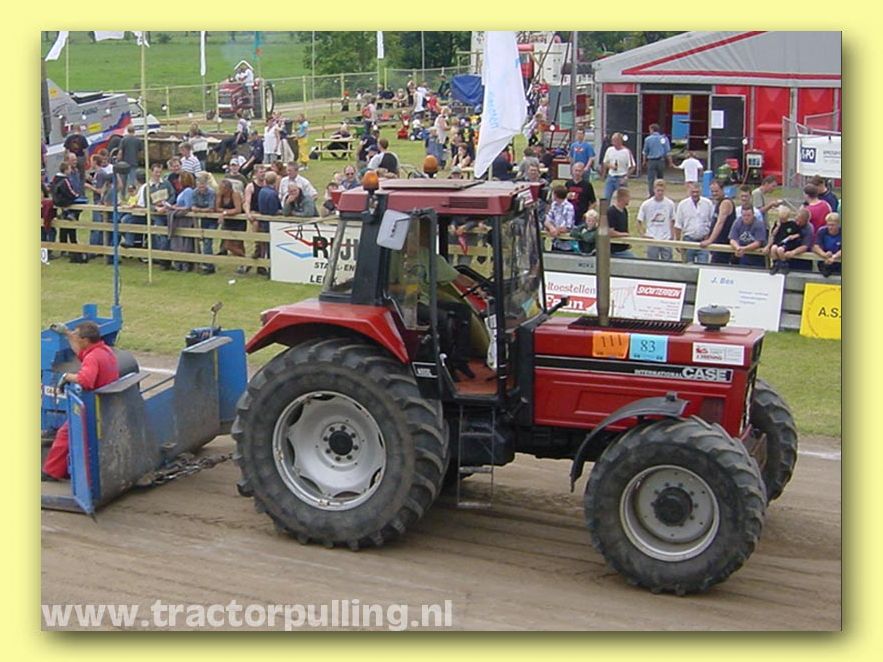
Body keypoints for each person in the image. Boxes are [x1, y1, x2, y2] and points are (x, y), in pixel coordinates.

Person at [42, 321, 119, 481]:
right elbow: (82, 353)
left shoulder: (92, 357)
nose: (74, 336)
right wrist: (67, 334)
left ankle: (51, 472)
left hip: (93, 406)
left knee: (65, 434)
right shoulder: (104, 350)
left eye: (76, 335)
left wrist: (67, 377)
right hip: (107, 402)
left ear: (85, 340)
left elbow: (86, 380)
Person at [160, 170, 196, 272]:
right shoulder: (183, 191)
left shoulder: (188, 191)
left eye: (180, 178)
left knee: (184, 242)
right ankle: (178, 263)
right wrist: (172, 206)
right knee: (178, 241)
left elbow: (188, 206)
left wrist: (174, 208)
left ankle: (185, 264)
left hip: (185, 220)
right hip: (178, 219)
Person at [674, 182, 715, 264]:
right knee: (688, 266)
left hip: (703, 241)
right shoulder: (683, 204)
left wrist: (709, 238)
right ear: (689, 192)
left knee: (703, 266)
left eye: (697, 192)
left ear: (701, 192)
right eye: (693, 192)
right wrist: (678, 242)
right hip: (688, 240)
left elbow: (712, 222)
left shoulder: (708, 203)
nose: (695, 194)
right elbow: (678, 225)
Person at [765, 207, 813, 274]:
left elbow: (805, 246)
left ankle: (784, 264)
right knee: (774, 248)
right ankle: (776, 264)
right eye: (796, 220)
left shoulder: (808, 229)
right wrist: (768, 246)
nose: (797, 223)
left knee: (780, 250)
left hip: (797, 254)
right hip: (783, 246)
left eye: (800, 222)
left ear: (806, 221)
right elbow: (773, 235)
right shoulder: (786, 223)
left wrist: (793, 252)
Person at [636, 179, 676, 261]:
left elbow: (673, 220)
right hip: (652, 238)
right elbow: (639, 221)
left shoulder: (670, 204)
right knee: (652, 263)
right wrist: (643, 234)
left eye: (662, 190)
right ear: (654, 190)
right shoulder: (646, 204)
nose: (660, 193)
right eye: (658, 190)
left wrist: (672, 235)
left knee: (668, 262)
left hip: (666, 238)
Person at [704, 180, 738, 264]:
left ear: (722, 190)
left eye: (716, 191)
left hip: (724, 243)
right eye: (712, 191)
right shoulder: (718, 203)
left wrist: (710, 240)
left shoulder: (725, 203)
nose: (714, 193)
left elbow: (720, 223)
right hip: (718, 243)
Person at [255, 171, 281, 276]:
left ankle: (261, 266)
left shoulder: (262, 191)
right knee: (270, 247)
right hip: (270, 223)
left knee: (263, 246)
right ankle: (271, 269)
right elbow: (274, 210)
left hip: (262, 221)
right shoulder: (272, 193)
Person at [192, 172, 217, 274]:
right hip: (203, 220)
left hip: (212, 220)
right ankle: (206, 263)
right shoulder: (194, 192)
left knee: (208, 241)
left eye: (203, 186)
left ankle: (209, 266)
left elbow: (211, 209)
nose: (201, 189)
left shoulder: (211, 193)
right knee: (203, 240)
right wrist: (201, 210)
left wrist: (199, 210)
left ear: (206, 185)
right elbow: (193, 207)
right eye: (199, 186)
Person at [216, 178, 245, 262]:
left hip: (238, 222)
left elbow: (238, 209)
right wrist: (228, 212)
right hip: (227, 222)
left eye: (221, 188)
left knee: (238, 243)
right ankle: (245, 259)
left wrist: (224, 212)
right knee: (227, 244)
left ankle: (243, 261)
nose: (219, 189)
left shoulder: (235, 195)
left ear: (227, 189)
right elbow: (217, 208)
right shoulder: (220, 195)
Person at [601, 132, 635, 201]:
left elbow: (633, 166)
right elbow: (605, 163)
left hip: (621, 177)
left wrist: (626, 177)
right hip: (611, 176)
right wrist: (610, 167)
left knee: (622, 199)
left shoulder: (626, 152)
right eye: (612, 140)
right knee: (606, 198)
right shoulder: (609, 150)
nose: (612, 143)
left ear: (620, 141)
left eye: (614, 141)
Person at [642, 123, 672, 196]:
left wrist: (644, 161)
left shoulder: (648, 139)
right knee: (660, 178)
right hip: (661, 160)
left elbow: (645, 152)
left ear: (652, 129)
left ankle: (651, 193)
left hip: (651, 161)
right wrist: (670, 162)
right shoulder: (663, 139)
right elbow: (667, 151)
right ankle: (660, 192)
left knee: (651, 179)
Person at [563, 161, 596, 226]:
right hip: (569, 214)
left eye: (579, 171)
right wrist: (566, 197)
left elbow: (594, 202)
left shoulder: (587, 185)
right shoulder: (568, 184)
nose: (577, 173)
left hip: (582, 216)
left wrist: (587, 213)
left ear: (583, 172)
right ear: (572, 171)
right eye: (576, 170)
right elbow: (561, 199)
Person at [544, 185, 576, 252]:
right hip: (555, 243)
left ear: (555, 195)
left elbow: (568, 226)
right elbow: (547, 220)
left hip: (567, 245)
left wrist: (557, 230)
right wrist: (551, 228)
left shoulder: (569, 207)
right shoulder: (553, 205)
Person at [607, 187, 635, 258]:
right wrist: (624, 235)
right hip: (614, 249)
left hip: (623, 247)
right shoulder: (611, 212)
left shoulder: (624, 211)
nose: (629, 199)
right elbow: (610, 232)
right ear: (623, 198)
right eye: (628, 197)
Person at [813, 212, 842, 277]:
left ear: (838, 224)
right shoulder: (822, 231)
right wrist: (824, 254)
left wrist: (834, 256)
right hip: (824, 261)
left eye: (833, 225)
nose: (830, 227)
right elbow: (815, 246)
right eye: (828, 225)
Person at [117, 125, 142, 189]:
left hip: (124, 163)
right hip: (134, 162)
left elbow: (120, 152)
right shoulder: (138, 140)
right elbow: (140, 152)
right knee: (132, 179)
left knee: (123, 180)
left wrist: (118, 160)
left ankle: (123, 193)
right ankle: (131, 191)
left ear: (128, 131)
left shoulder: (124, 140)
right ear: (134, 131)